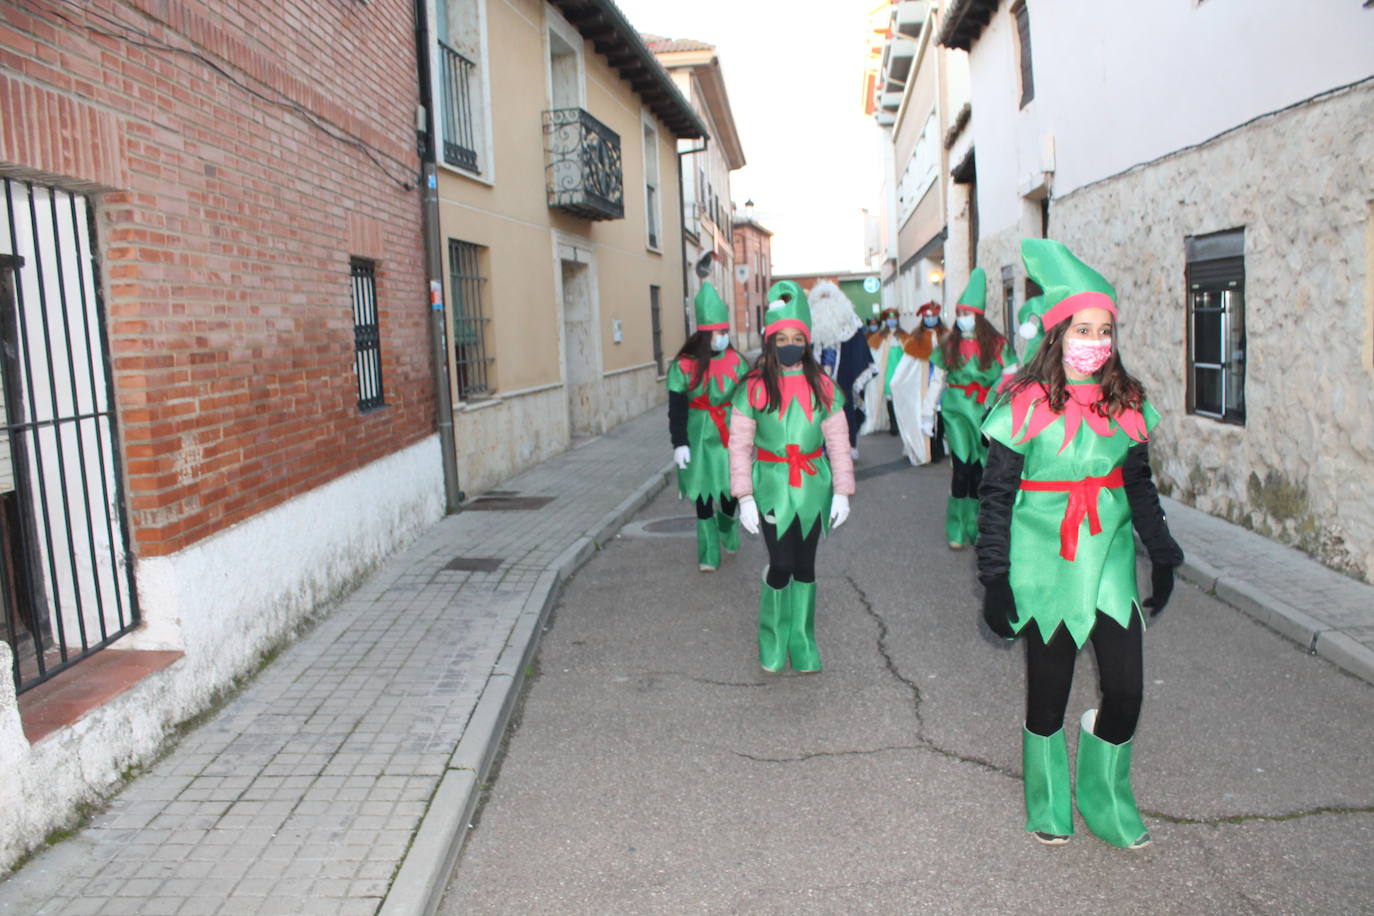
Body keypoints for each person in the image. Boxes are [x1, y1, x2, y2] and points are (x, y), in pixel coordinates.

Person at [977, 239, 1185, 849]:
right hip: (1044, 564)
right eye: (1083, 327)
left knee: (1126, 691)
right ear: (1057, 333)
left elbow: (1140, 486)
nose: (1095, 339)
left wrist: (1164, 554)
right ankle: (1048, 803)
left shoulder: (1128, 402)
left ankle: (1104, 797)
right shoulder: (1023, 403)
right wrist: (995, 577)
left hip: (1110, 563)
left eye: (1105, 329)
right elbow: (995, 495)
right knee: (1049, 694)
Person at [728, 281, 855, 673]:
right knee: (780, 563)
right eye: (780, 338)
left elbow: (837, 441)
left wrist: (842, 491)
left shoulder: (824, 387)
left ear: (806, 341)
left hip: (812, 489)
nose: (788, 344)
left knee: (805, 565)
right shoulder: (752, 388)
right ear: (770, 342)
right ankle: (773, 637)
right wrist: (744, 495)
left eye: (795, 338)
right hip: (770, 487)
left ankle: (802, 641)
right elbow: (739, 446)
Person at [921, 268, 1016, 548]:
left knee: (980, 470)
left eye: (967, 313)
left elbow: (1012, 372)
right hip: (956, 410)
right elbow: (937, 379)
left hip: (985, 410)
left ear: (978, 314)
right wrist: (928, 414)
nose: (962, 319)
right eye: (959, 314)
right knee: (962, 466)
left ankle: (975, 524)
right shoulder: (950, 345)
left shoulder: (997, 344)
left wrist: (999, 394)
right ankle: (955, 525)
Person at [667, 282, 749, 572]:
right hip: (698, 436)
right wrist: (679, 443)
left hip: (728, 435)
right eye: (719, 333)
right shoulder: (684, 365)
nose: (724, 338)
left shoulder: (737, 361)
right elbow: (676, 406)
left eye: (726, 332)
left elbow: (746, 402)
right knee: (703, 495)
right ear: (704, 335)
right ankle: (708, 553)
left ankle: (728, 526)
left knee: (729, 493)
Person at [807, 280, 872, 460]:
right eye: (822, 297)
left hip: (843, 378)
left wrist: (855, 374)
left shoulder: (851, 323)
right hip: (815, 379)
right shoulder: (807, 324)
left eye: (829, 297)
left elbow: (859, 349)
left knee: (844, 412)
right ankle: (817, 448)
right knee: (815, 413)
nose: (826, 301)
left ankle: (848, 446)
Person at [888, 301, 945, 465]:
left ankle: (939, 448)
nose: (930, 319)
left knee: (940, 417)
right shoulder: (915, 338)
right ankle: (927, 449)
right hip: (923, 383)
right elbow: (906, 364)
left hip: (943, 382)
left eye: (933, 316)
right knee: (925, 416)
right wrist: (897, 383)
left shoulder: (946, 335)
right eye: (927, 316)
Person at [861, 306, 907, 436]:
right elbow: (873, 354)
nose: (892, 321)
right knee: (889, 397)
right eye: (889, 319)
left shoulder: (903, 335)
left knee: (900, 397)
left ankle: (901, 422)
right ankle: (893, 424)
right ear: (886, 320)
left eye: (894, 318)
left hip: (902, 369)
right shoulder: (879, 336)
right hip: (887, 370)